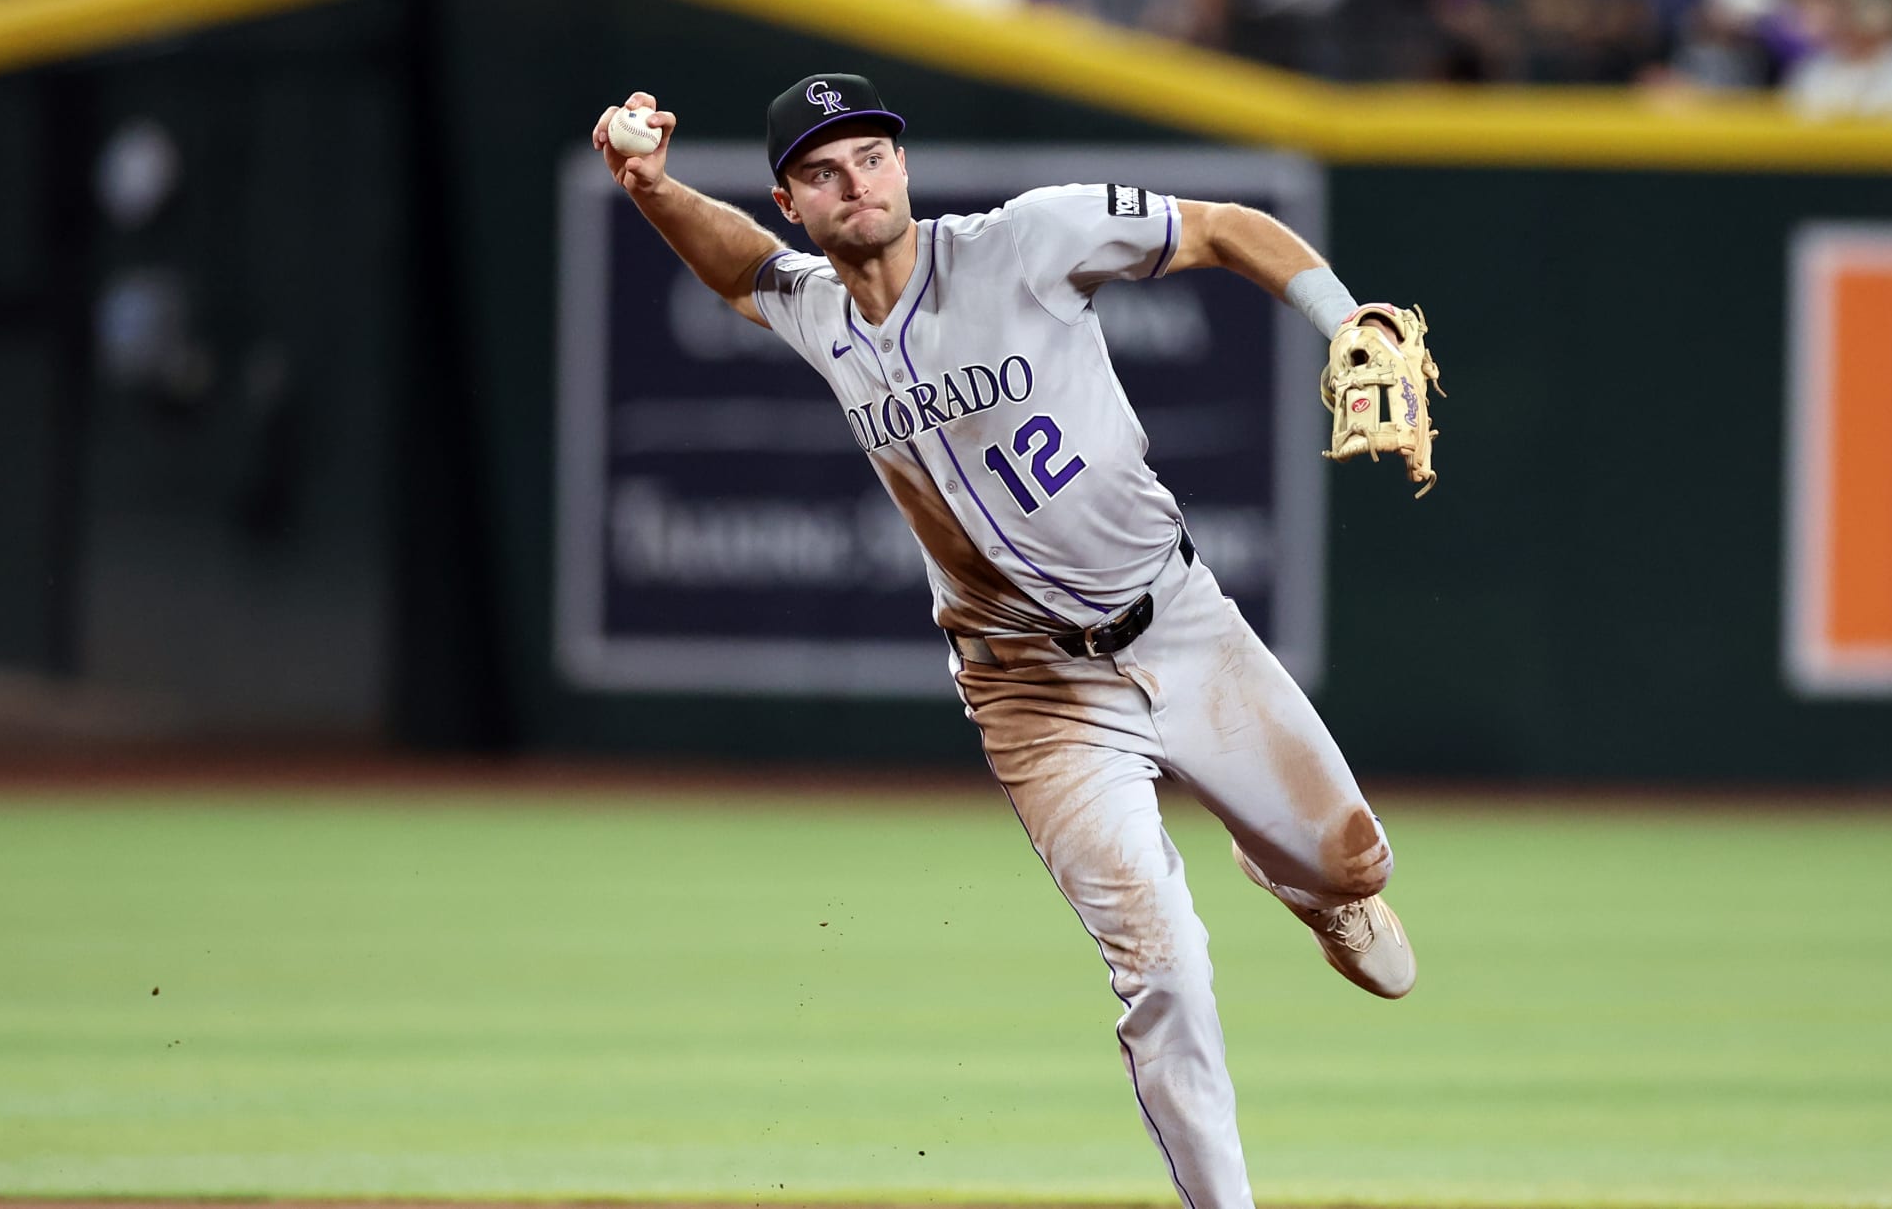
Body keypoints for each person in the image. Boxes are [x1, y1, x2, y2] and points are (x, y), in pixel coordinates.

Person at [589, 74, 1418, 1209]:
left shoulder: (1025, 240)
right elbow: (739, 269)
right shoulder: (820, 312)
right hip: (1032, 694)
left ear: (904, 166)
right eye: (824, 171)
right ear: (794, 199)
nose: (857, 182)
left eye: (873, 155)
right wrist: (650, 187)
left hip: (1178, 625)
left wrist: (1344, 317)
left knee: (1353, 862)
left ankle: (1308, 880)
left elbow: (1228, 230)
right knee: (1163, 969)